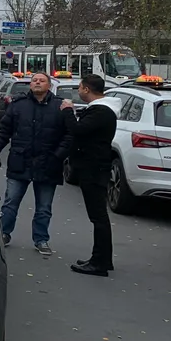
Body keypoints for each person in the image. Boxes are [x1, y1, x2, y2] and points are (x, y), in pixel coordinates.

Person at [0, 71, 72, 255]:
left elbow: (69, 135)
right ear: (30, 84)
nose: (37, 83)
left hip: (48, 163)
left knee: (44, 207)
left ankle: (41, 239)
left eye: (42, 80)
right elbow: (4, 131)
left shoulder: (59, 107)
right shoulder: (18, 105)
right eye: (34, 80)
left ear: (49, 85)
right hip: (20, 161)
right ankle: (4, 233)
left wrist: (58, 155)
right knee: (10, 202)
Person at [60, 74, 121, 276]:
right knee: (98, 216)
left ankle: (99, 262)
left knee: (98, 217)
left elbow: (78, 130)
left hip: (94, 168)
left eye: (79, 87)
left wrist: (68, 110)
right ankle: (102, 259)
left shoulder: (101, 111)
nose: (78, 91)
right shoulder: (99, 110)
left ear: (86, 89)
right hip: (93, 166)